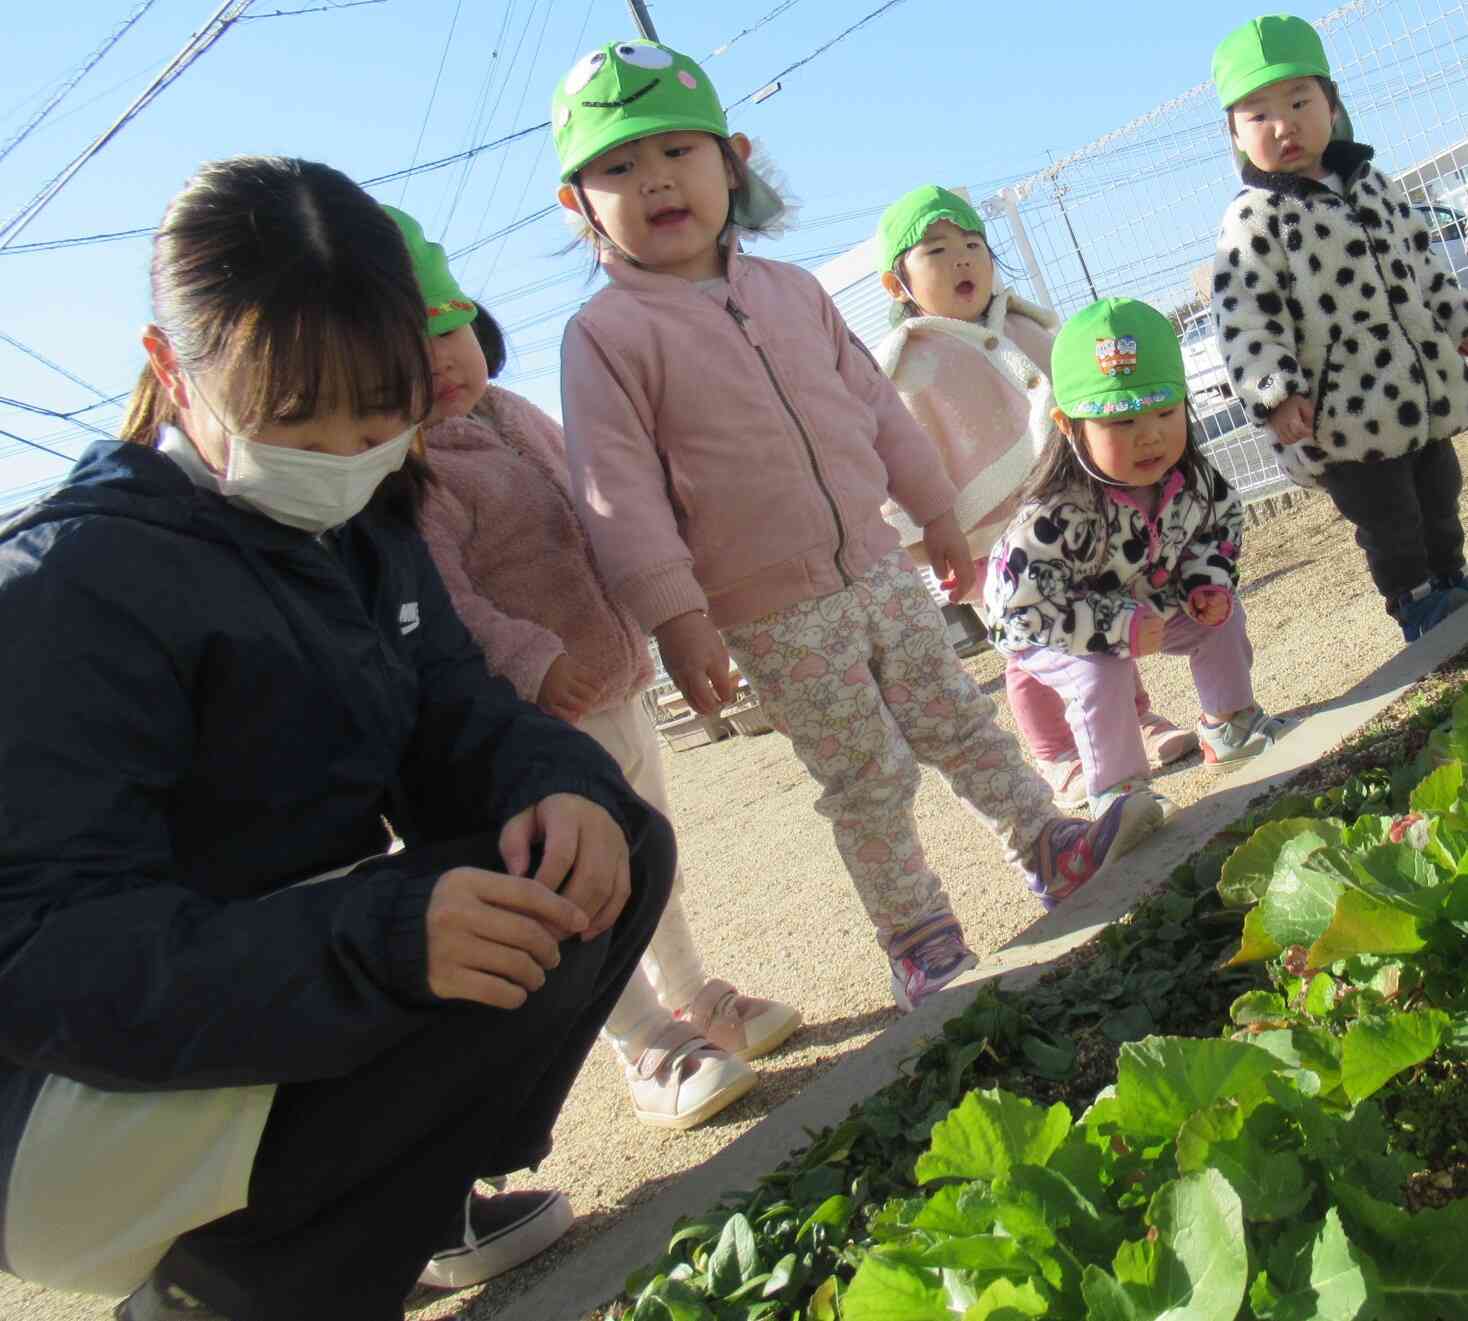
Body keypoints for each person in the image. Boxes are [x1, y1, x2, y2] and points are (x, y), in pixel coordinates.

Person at [0, 156, 675, 1321]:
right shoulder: (74, 585)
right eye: (292, 416)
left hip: (257, 997)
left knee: (604, 848)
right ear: (171, 369)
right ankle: (229, 1289)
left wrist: (557, 783)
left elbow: (458, 715)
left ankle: (399, 1209)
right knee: (450, 933)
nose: (343, 453)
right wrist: (378, 940)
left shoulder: (363, 522)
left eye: (379, 411)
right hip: (63, 1105)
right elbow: (43, 959)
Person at [549, 38, 1165, 1013]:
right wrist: (677, 616)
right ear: (577, 203)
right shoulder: (607, 338)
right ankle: (919, 938)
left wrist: (934, 510)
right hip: (770, 610)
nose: (656, 179)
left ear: (732, 160)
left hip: (879, 564)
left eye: (679, 152)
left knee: (958, 719)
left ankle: (1046, 844)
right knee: (865, 773)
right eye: (619, 166)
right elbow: (615, 490)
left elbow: (877, 411)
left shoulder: (790, 293)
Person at [387, 204, 801, 1132]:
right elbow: (449, 600)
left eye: (449, 329)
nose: (442, 358)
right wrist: (531, 662)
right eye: (410, 348)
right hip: (538, 723)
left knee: (657, 858)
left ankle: (696, 998)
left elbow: (602, 507)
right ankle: (645, 1042)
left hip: (616, 687)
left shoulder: (519, 413)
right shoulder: (416, 476)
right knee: (587, 888)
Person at [873, 184, 1196, 808]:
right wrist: (931, 541)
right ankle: (1057, 755)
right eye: (937, 251)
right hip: (984, 537)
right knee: (1027, 644)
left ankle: (1135, 720)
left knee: (1098, 615)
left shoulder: (1028, 324)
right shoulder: (905, 366)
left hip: (1067, 513)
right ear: (898, 285)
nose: (963, 260)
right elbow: (901, 457)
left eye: (973, 245)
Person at [1211, 13, 1468, 642]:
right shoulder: (1255, 217)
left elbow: (1425, 263)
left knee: (1440, 492)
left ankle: (1453, 581)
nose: (1284, 124)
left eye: (1300, 101)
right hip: (1345, 414)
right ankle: (1416, 602)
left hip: (1421, 395)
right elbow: (1243, 314)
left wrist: (1458, 324)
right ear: (1236, 135)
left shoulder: (1374, 186)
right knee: (1387, 518)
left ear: (1332, 104)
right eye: (1258, 114)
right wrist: (1274, 395)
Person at [985, 297, 1291, 813]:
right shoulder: (1053, 516)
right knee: (1099, 673)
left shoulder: (1191, 480)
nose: (1150, 435)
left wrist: (1204, 583)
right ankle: (1120, 792)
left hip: (1145, 603)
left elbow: (1218, 529)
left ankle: (1230, 724)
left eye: (1165, 411)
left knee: (1220, 616)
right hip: (1047, 627)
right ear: (1068, 425)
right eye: (1120, 421)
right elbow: (1026, 605)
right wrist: (1112, 627)